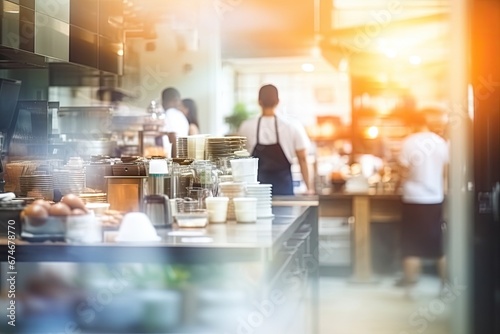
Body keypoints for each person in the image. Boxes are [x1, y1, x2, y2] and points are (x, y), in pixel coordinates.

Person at [396, 111, 449, 294]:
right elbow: (446, 171)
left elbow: (402, 172)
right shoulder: (440, 142)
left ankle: (410, 290)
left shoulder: (409, 142)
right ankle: (445, 286)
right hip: (435, 199)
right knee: (438, 244)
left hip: (413, 199)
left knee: (411, 245)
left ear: (411, 124)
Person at [237, 84, 313, 195]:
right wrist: (308, 187)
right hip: (284, 192)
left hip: (256, 192)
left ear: (259, 102)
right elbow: (303, 159)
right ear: (278, 101)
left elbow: (240, 160)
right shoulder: (292, 126)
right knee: (285, 213)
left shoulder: (246, 127)